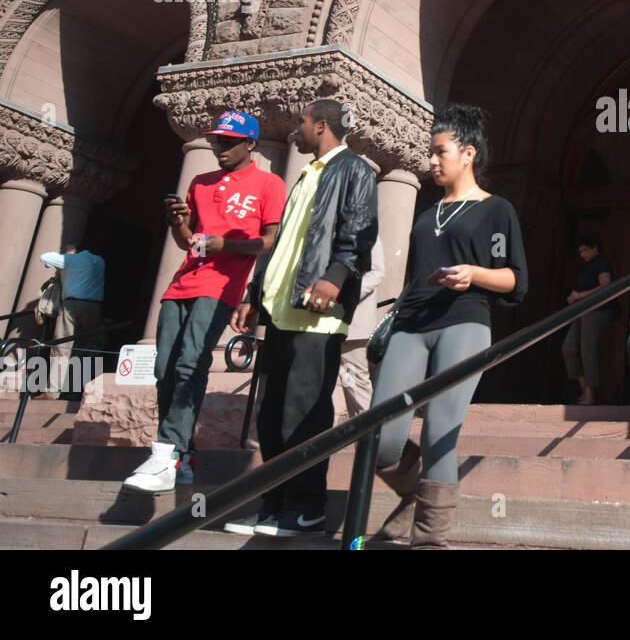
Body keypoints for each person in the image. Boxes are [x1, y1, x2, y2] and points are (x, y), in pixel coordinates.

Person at [371, 104, 527, 548]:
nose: (432, 161)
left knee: (439, 433)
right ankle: (411, 497)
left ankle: (429, 540)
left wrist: (473, 274)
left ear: (468, 153)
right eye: (430, 153)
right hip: (411, 324)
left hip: (464, 323)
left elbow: (515, 278)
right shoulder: (425, 214)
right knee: (383, 436)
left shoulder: (496, 211)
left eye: (440, 152)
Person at [223, 99, 378, 537]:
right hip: (281, 309)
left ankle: (307, 508)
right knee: (271, 415)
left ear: (322, 126)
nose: (295, 130)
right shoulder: (306, 175)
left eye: (302, 122)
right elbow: (282, 245)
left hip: (318, 312)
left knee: (304, 414)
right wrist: (254, 293)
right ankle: (273, 505)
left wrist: (334, 277)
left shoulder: (355, 170)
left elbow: (359, 231)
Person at [125, 111, 285, 492]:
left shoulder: (269, 183)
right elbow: (186, 241)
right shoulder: (200, 182)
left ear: (250, 144)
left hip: (222, 285)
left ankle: (168, 451)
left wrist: (226, 244)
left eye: (229, 142)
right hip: (181, 283)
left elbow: (269, 241)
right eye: (217, 141)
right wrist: (177, 220)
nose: (221, 148)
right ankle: (183, 456)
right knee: (165, 367)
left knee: (190, 362)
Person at [38, 243, 105, 400]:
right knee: (85, 350)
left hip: (72, 305)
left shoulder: (72, 260)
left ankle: (52, 392)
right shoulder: (99, 261)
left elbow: (44, 257)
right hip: (94, 307)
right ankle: (76, 391)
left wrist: (65, 259)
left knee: (62, 348)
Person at [562, 230, 615, 405]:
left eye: (585, 250)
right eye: (580, 251)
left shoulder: (602, 264)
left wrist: (579, 295)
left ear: (595, 248)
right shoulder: (589, 266)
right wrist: (576, 298)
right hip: (582, 311)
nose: (582, 254)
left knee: (587, 351)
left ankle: (590, 395)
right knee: (569, 348)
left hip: (596, 311)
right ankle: (585, 389)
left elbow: (606, 286)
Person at [339, 240, 384, 419]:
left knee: (355, 384)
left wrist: (342, 295)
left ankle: (368, 439)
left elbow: (377, 273)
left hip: (353, 321)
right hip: (313, 319)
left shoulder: (367, 226)